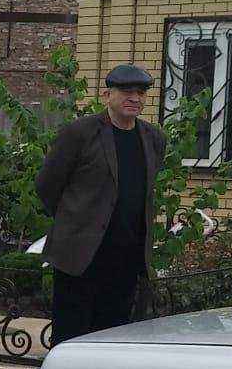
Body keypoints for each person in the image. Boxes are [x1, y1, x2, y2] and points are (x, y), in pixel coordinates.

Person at [36, 64, 167, 345]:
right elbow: (47, 186)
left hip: (127, 259)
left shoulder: (153, 138)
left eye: (141, 92)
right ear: (107, 95)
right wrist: (74, 223)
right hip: (80, 258)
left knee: (111, 338)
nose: (135, 98)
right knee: (70, 338)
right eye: (126, 91)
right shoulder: (80, 133)